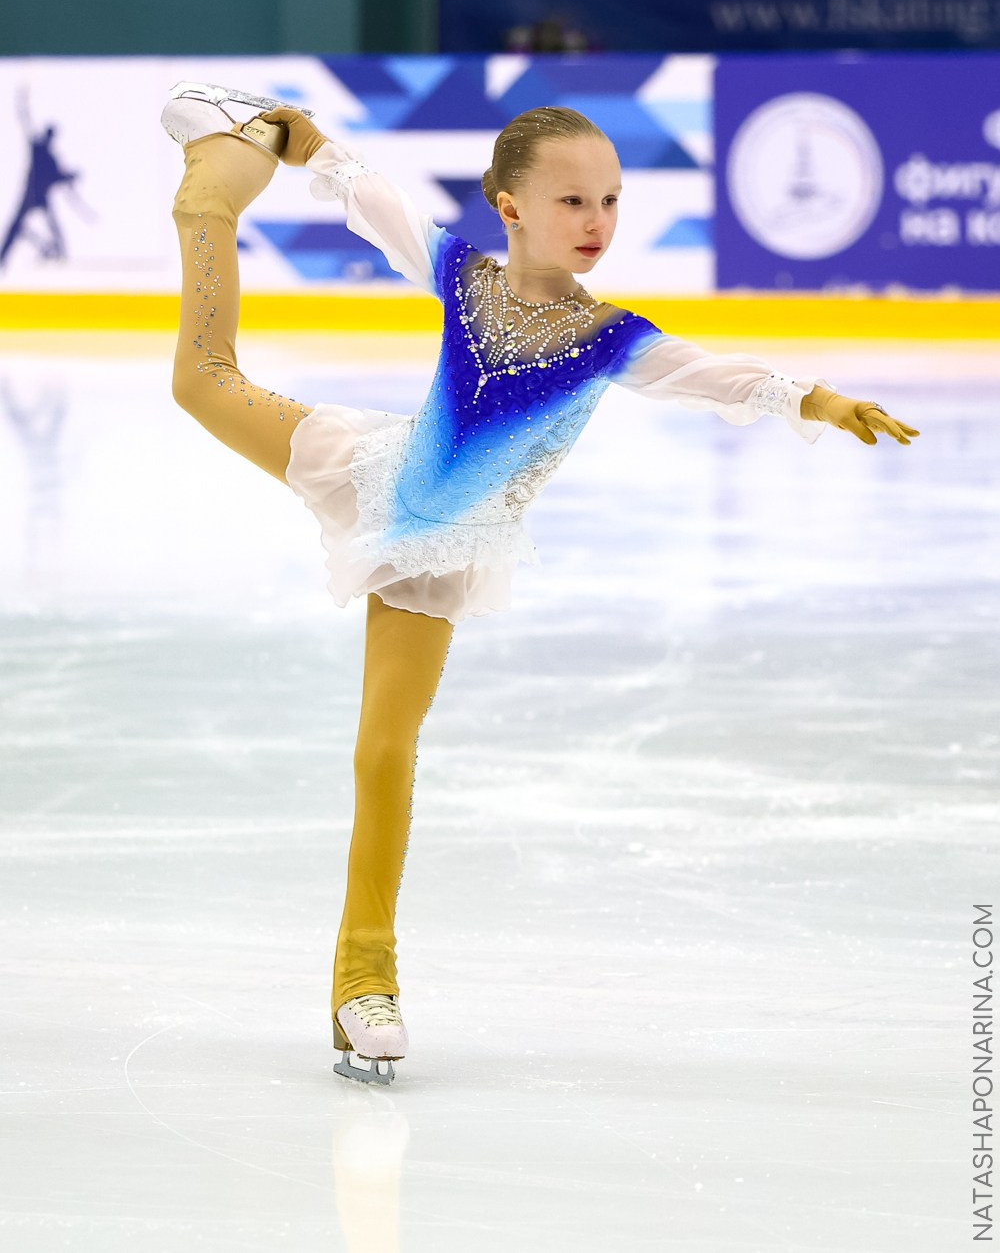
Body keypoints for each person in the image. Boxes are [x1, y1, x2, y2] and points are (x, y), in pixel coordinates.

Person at [162, 82, 920, 1086]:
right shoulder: (462, 276)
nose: (597, 222)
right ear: (509, 205)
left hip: (434, 551)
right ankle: (209, 188)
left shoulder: (609, 340)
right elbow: (379, 204)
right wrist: (309, 145)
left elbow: (711, 374)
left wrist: (814, 399)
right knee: (196, 377)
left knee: (382, 752)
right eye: (572, 202)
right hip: (372, 471)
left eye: (610, 201)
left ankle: (363, 979)